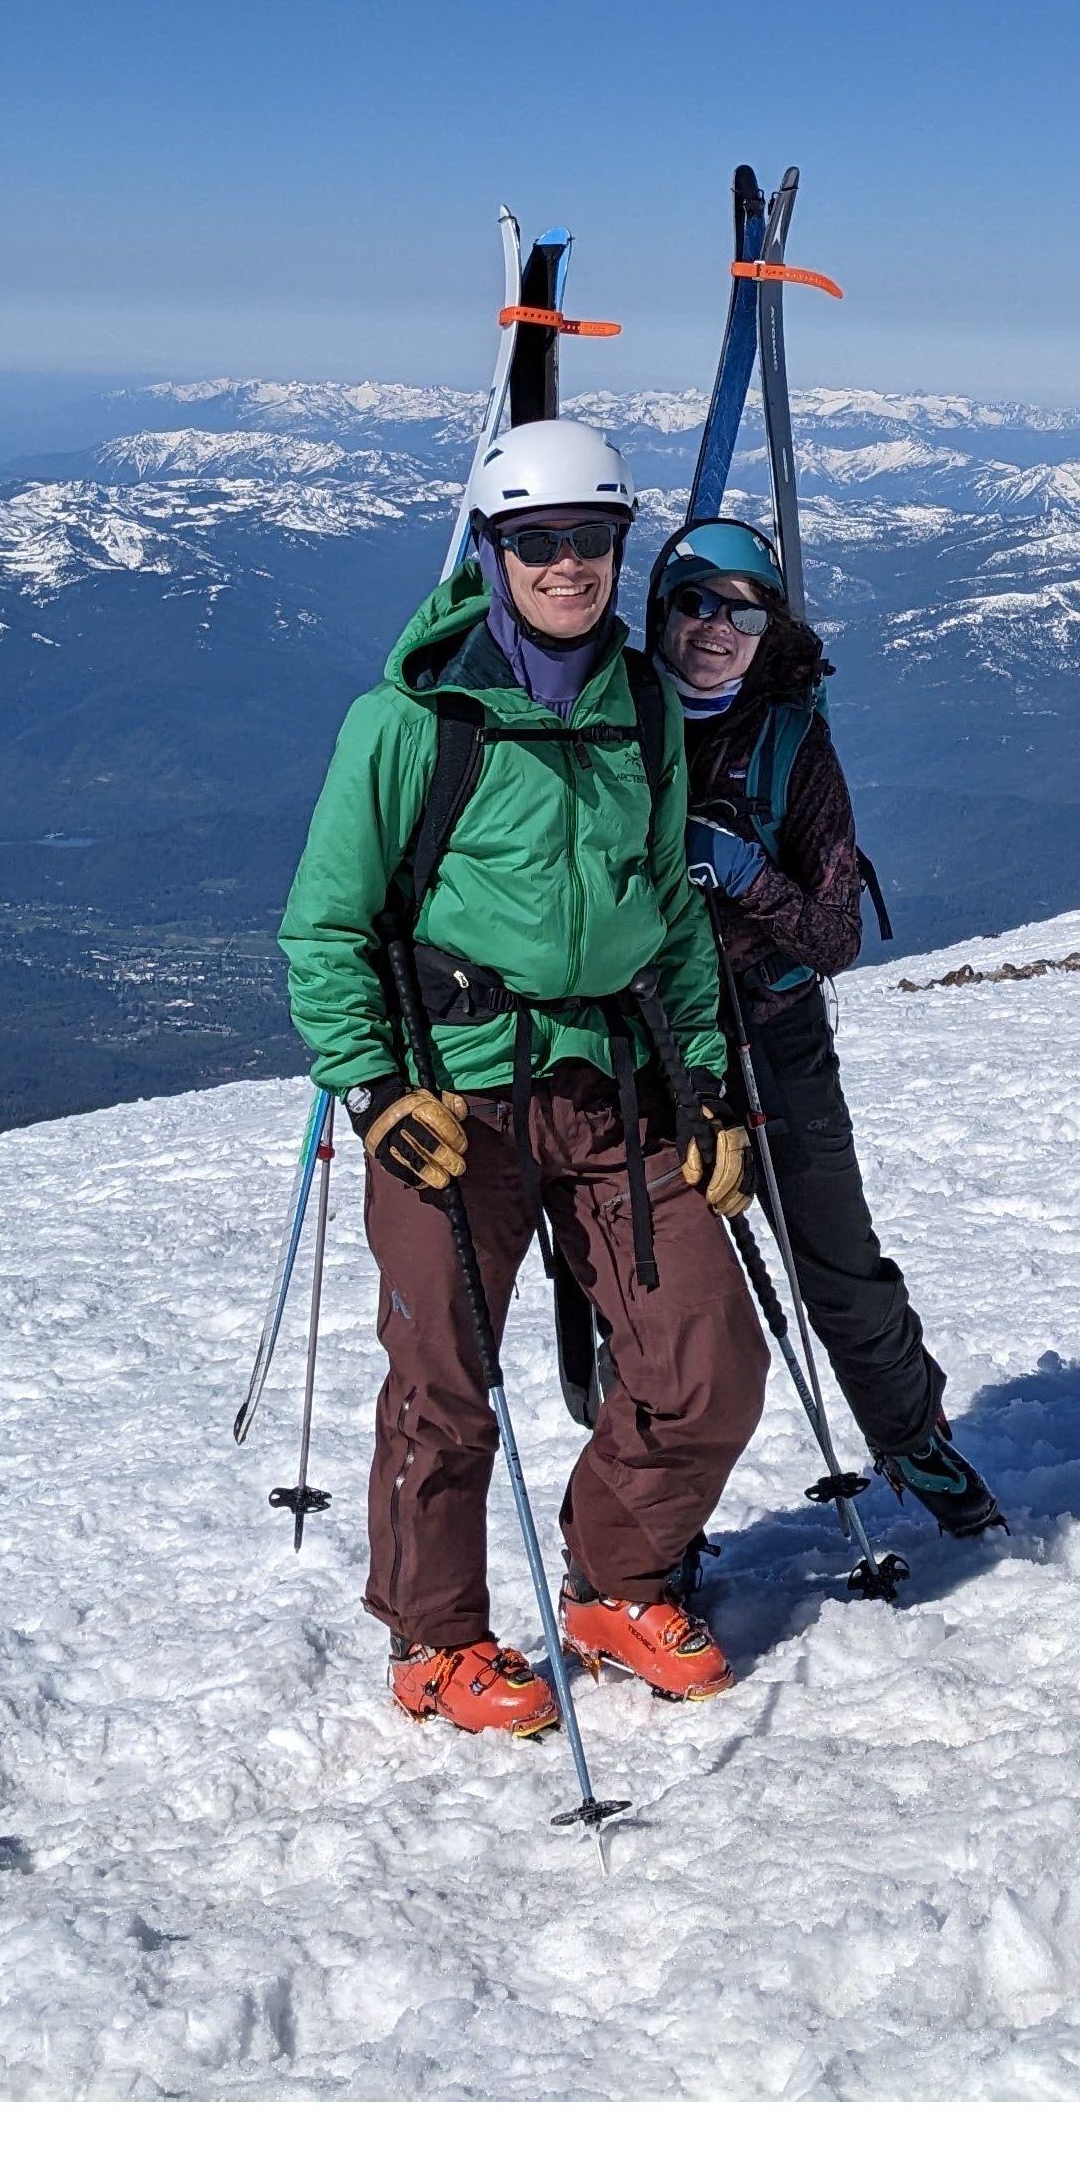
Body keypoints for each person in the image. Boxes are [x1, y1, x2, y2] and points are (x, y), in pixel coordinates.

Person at [277, 417, 767, 1737]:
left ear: (620, 548)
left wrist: (710, 1089)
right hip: (455, 1100)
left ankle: (615, 1582)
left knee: (710, 1358)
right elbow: (326, 926)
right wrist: (378, 1092)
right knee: (444, 1378)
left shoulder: (644, 708)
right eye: (537, 541)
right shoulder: (410, 723)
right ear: (492, 553)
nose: (567, 565)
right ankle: (437, 1642)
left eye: (591, 540)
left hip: (614, 1085)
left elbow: (668, 909)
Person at [646, 516, 1006, 1539]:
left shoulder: (794, 747)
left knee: (835, 1260)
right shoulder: (613, 719)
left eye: (743, 612)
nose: (716, 627)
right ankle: (646, 1521)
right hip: (654, 1038)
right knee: (646, 1286)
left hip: (773, 1031)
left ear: (769, 632)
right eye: (696, 602)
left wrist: (745, 872)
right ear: (662, 612)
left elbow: (837, 932)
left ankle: (913, 1441)